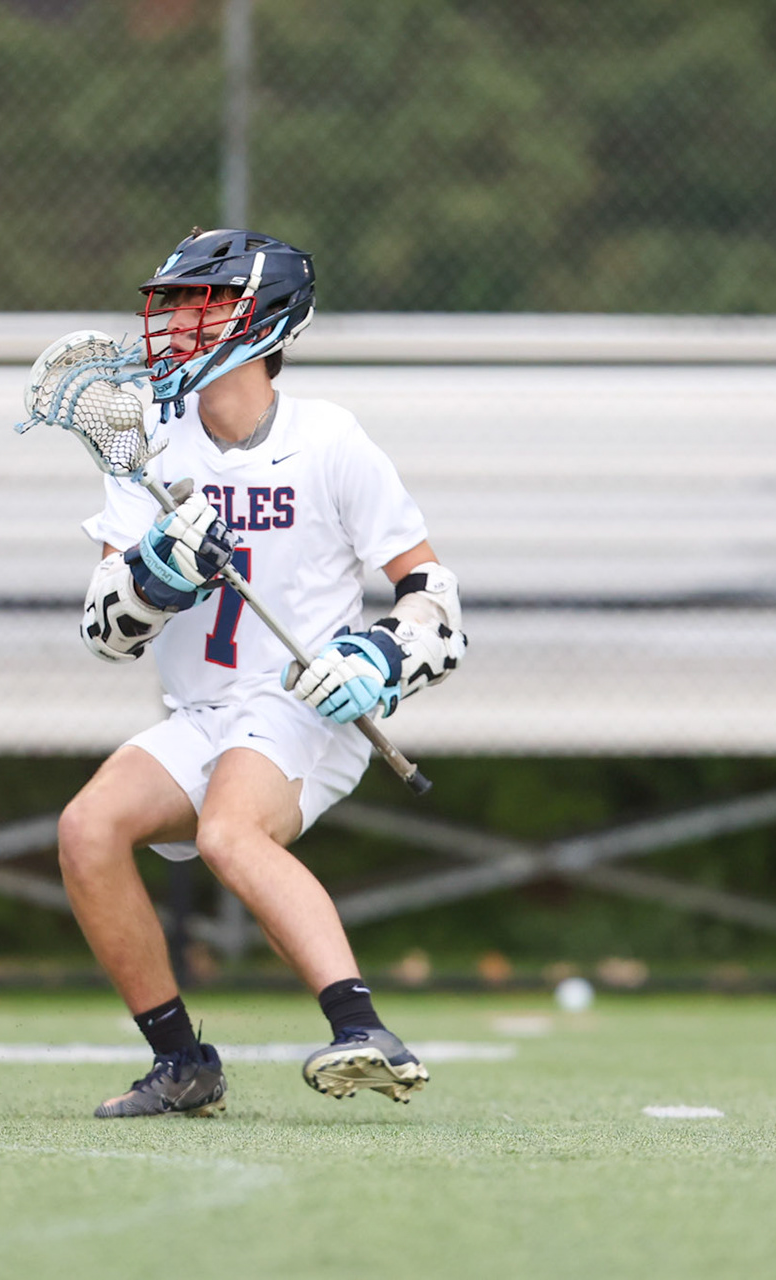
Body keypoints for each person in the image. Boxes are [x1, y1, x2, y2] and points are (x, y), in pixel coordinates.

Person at [61, 228, 468, 1117]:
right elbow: (103, 628)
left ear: (262, 319)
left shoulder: (330, 439)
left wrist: (377, 658)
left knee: (227, 832)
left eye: (195, 303)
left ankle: (363, 1029)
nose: (170, 323)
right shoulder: (149, 443)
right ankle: (182, 1062)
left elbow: (435, 596)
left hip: (303, 709)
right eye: (166, 304)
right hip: (202, 710)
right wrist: (156, 576)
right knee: (87, 830)